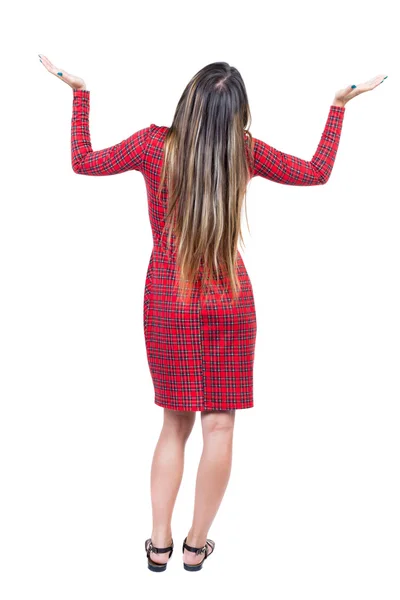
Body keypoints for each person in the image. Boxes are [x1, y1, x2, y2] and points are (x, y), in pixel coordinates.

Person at [38, 55, 387, 572]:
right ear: (237, 115)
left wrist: (80, 94)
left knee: (174, 424)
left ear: (188, 103)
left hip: (168, 297)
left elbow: (83, 161)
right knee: (219, 426)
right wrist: (338, 107)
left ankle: (159, 543)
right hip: (229, 298)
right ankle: (196, 546)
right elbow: (316, 173)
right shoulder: (243, 152)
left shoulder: (152, 145)